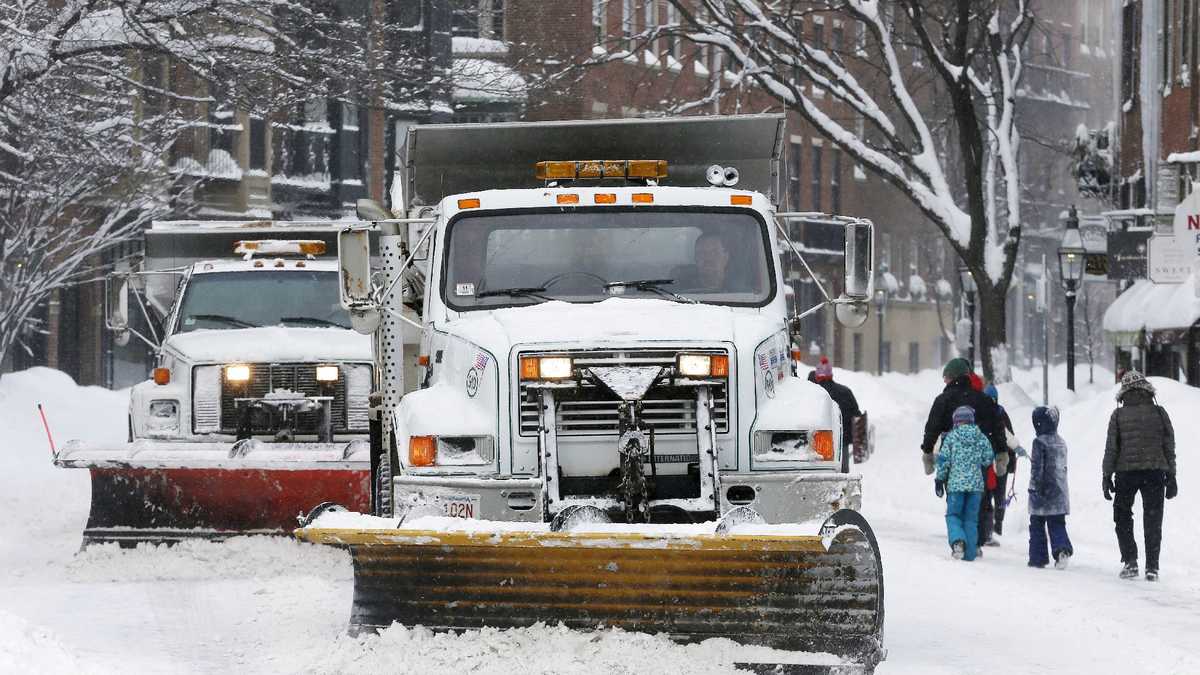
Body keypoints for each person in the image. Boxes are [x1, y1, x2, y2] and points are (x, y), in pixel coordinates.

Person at [1102, 370, 1177, 581]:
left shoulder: (1118, 415)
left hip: (1126, 474)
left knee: (1123, 515)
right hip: (1155, 472)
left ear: (1124, 392)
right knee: (1153, 519)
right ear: (1147, 389)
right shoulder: (1160, 412)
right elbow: (1168, 445)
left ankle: (1130, 561)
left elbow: (1111, 449)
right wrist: (1172, 475)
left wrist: (1107, 475)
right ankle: (1152, 567)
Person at [920, 358, 1003, 477]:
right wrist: (1001, 452)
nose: (944, 380)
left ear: (953, 377)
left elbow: (932, 428)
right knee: (979, 493)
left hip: (952, 460)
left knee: (954, 492)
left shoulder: (942, 400)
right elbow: (996, 426)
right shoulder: (983, 399)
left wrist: (928, 452)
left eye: (946, 377)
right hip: (978, 460)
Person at [934, 406, 995, 561]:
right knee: (971, 519)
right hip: (975, 487)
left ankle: (958, 542)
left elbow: (943, 461)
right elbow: (988, 458)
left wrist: (939, 480)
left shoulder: (951, 437)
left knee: (953, 515)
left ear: (956, 421)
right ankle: (969, 554)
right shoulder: (981, 437)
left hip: (955, 486)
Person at [1028, 406, 1073, 569]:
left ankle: (1037, 558)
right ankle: (1062, 550)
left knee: (1037, 524)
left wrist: (1034, 488)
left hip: (1042, 491)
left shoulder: (1039, 442)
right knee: (1057, 523)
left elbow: (1037, 469)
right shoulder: (1061, 442)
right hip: (1059, 491)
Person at [980, 383, 1020, 545]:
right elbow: (1010, 438)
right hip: (1001, 461)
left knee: (987, 495)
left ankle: (989, 529)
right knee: (1000, 495)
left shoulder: (982, 413)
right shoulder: (1001, 413)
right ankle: (998, 526)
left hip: (988, 463)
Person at [808, 357, 862, 472]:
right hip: (843, 441)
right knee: (842, 473)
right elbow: (857, 416)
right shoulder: (845, 392)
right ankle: (843, 489)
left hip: (818, 441)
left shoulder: (814, 394)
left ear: (818, 376)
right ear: (830, 375)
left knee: (820, 473)